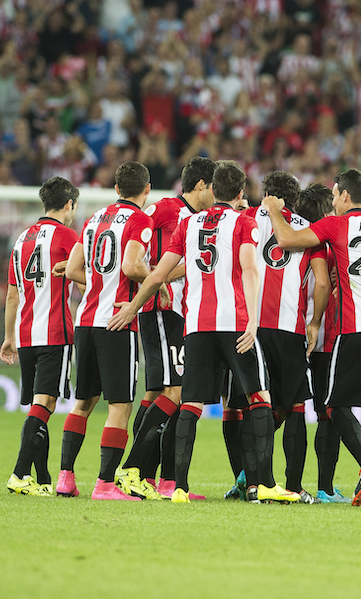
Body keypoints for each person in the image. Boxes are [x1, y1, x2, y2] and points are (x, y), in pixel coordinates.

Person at [108, 161, 298, 504]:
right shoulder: (244, 222)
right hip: (234, 322)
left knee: (190, 403)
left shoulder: (190, 223)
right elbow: (250, 269)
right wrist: (253, 320)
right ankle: (267, 483)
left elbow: (156, 276)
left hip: (196, 326)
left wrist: (133, 307)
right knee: (259, 399)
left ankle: (178, 487)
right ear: (240, 194)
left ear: (213, 188)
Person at [263, 167, 361, 507]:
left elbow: (286, 240)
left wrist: (273, 210)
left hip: (354, 328)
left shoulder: (337, 225)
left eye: (336, 195)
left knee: (332, 404)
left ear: (346, 196)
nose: (333, 201)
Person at [223, 171, 328, 504]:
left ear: (266, 193)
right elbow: (323, 283)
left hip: (247, 327)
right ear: (294, 199)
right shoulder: (308, 229)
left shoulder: (244, 219)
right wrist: (314, 323)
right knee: (295, 407)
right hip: (289, 330)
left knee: (244, 406)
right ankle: (293, 486)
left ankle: (250, 481)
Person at [56, 161, 157, 501]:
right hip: (117, 322)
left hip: (85, 320)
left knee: (83, 402)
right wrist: (155, 281)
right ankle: (104, 484)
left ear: (116, 189)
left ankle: (65, 478)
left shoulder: (93, 219)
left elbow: (72, 270)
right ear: (146, 190)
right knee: (120, 405)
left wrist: (100, 286)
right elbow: (131, 266)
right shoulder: (141, 220)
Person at [120, 157, 216, 501]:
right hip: (162, 310)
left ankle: (158, 479)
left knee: (158, 395)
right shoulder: (166, 208)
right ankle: (133, 470)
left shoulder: (202, 220)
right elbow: (132, 236)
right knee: (173, 393)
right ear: (202, 185)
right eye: (213, 187)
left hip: (182, 312)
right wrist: (152, 277)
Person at [0, 176, 79, 496]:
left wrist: (9, 337)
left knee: (38, 405)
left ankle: (43, 480)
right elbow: (86, 274)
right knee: (44, 405)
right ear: (68, 204)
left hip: (26, 333)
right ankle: (19, 474)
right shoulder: (68, 236)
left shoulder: (21, 240)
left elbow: (11, 295)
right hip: (55, 332)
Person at [294, 183, 347, 503]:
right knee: (328, 412)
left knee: (285, 407)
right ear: (326, 213)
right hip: (324, 337)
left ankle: (255, 476)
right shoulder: (331, 244)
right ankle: (326, 488)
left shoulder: (291, 242)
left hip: (291, 334)